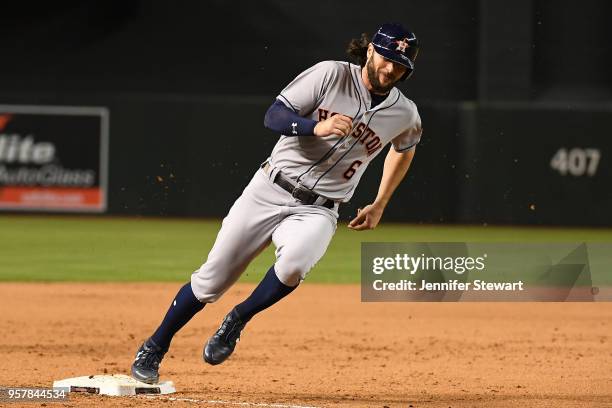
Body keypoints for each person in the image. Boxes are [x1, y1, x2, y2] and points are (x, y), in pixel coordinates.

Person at [131, 22, 422, 384]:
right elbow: (275, 115)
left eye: (401, 65)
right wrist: (314, 127)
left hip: (319, 208)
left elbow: (404, 148)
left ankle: (237, 319)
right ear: (370, 51)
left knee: (293, 266)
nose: (391, 69)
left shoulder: (404, 113)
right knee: (210, 282)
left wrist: (380, 202)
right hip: (268, 190)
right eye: (387, 58)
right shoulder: (330, 75)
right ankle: (155, 346)